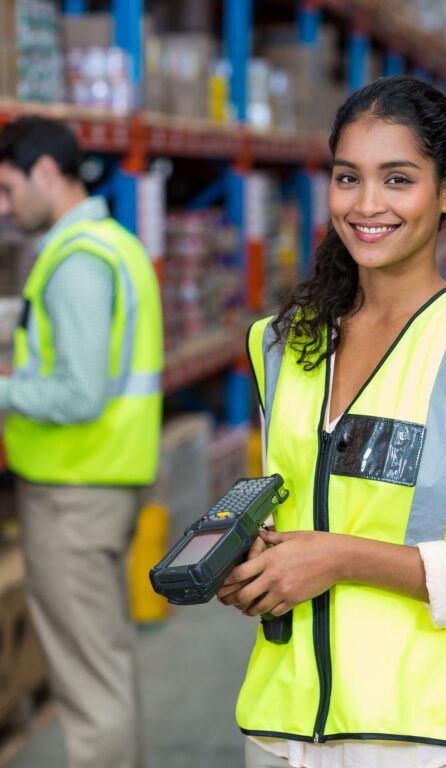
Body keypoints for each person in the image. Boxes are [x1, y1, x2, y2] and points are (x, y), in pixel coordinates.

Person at [217, 76, 446, 768]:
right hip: (282, 731)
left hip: (422, 740)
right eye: (348, 178)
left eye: (397, 179)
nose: (367, 205)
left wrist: (344, 557)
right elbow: (301, 505)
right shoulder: (285, 346)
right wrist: (256, 563)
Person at [0, 116, 163, 768]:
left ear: (46, 172)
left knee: (91, 687)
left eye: (9, 191)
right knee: (103, 662)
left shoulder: (77, 263)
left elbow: (79, 394)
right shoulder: (108, 245)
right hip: (100, 482)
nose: (5, 207)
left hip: (76, 491)